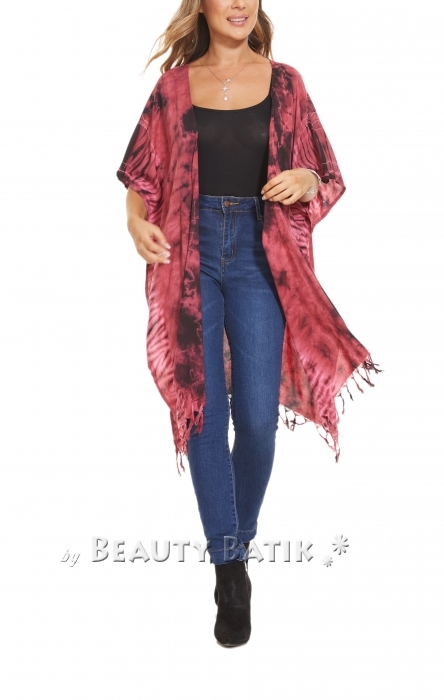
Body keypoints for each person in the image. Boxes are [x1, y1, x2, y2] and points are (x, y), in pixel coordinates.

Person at [116, 0, 381, 648]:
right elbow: (140, 177)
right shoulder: (173, 88)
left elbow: (326, 173)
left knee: (258, 420)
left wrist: (303, 178)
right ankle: (229, 570)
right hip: (189, 253)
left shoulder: (286, 83)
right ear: (201, 5)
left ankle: (236, 539)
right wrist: (134, 223)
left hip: (263, 255)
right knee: (204, 410)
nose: (239, 3)